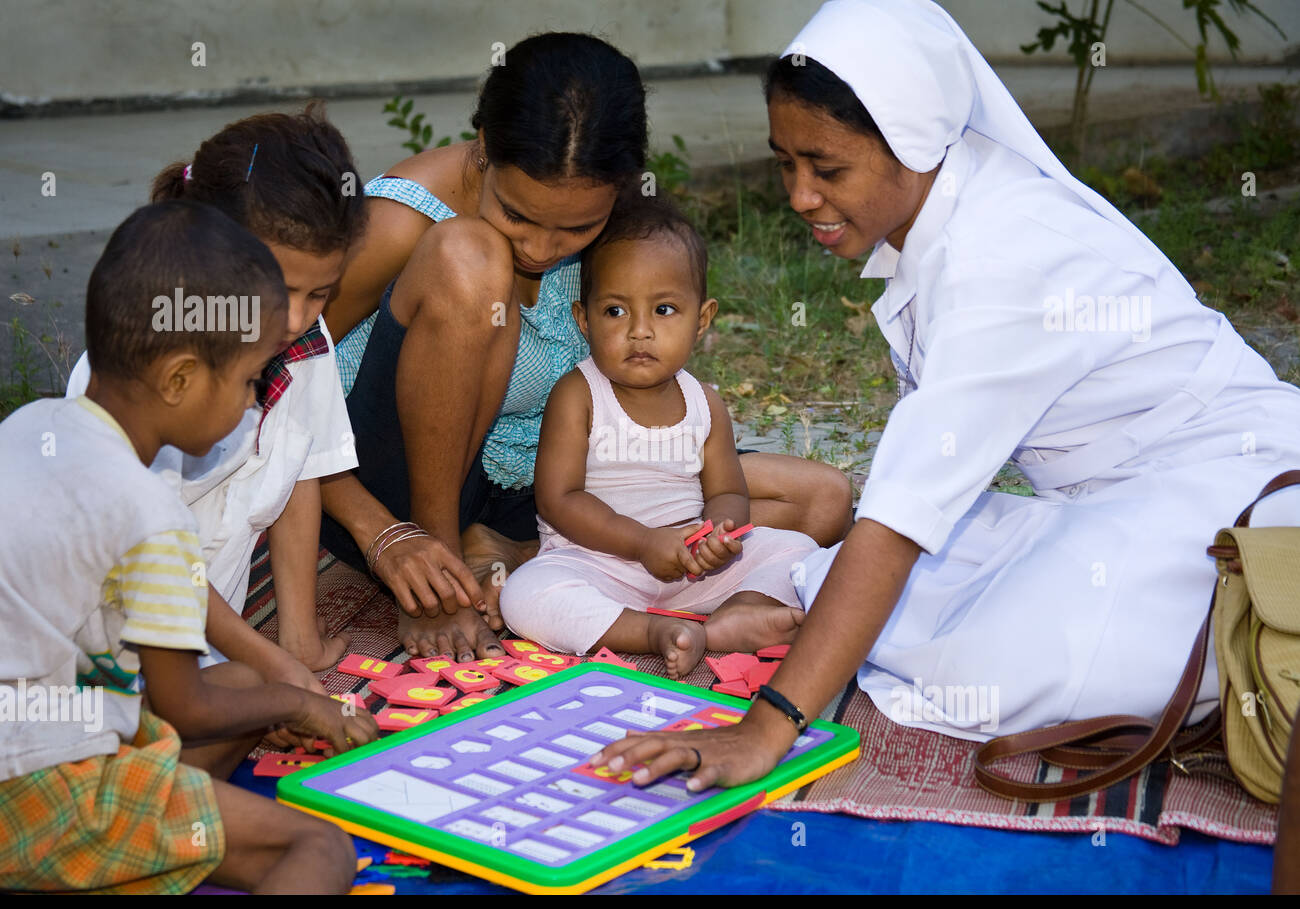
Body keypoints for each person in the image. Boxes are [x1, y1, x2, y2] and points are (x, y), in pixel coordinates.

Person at [590, 0, 1300, 792]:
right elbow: (913, 494)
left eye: (827, 168)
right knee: (870, 583)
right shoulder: (945, 213)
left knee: (998, 655)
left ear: (915, 142)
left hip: (1236, 501)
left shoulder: (1003, 258)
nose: (798, 195)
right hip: (1113, 502)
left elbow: (897, 523)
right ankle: (825, 624)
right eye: (785, 163)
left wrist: (766, 730)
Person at [318, 32, 853, 666]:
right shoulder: (403, 217)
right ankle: (450, 562)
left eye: (577, 228)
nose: (542, 249)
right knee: (473, 256)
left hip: (548, 489)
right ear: (485, 147)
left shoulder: (622, 219)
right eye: (519, 215)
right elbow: (273, 384)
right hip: (398, 489)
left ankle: (518, 556)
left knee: (821, 500)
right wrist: (382, 533)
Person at [0, 202, 378, 894]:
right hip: (41, 795)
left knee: (247, 680)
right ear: (179, 379)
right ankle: (101, 858)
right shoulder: (152, 511)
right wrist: (305, 708)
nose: (251, 402)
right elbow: (186, 708)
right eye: (247, 381)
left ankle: (138, 843)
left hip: (35, 731)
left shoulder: (30, 426)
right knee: (319, 851)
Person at [67, 105, 367, 706]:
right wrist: (268, 663)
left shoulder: (305, 345)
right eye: (279, 289)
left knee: (247, 691)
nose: (297, 318)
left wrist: (297, 643)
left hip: (211, 648)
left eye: (320, 294)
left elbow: (301, 473)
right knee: (239, 700)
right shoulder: (137, 385)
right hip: (110, 654)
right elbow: (152, 564)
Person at [499, 196, 816, 677]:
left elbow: (728, 490)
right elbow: (558, 500)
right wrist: (646, 543)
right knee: (525, 597)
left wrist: (719, 536)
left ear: (702, 320)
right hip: (597, 566)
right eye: (615, 312)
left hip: (692, 570)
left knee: (798, 552)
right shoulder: (578, 395)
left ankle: (735, 616)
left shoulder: (705, 402)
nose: (640, 331)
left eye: (664, 309)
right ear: (583, 320)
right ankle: (649, 631)